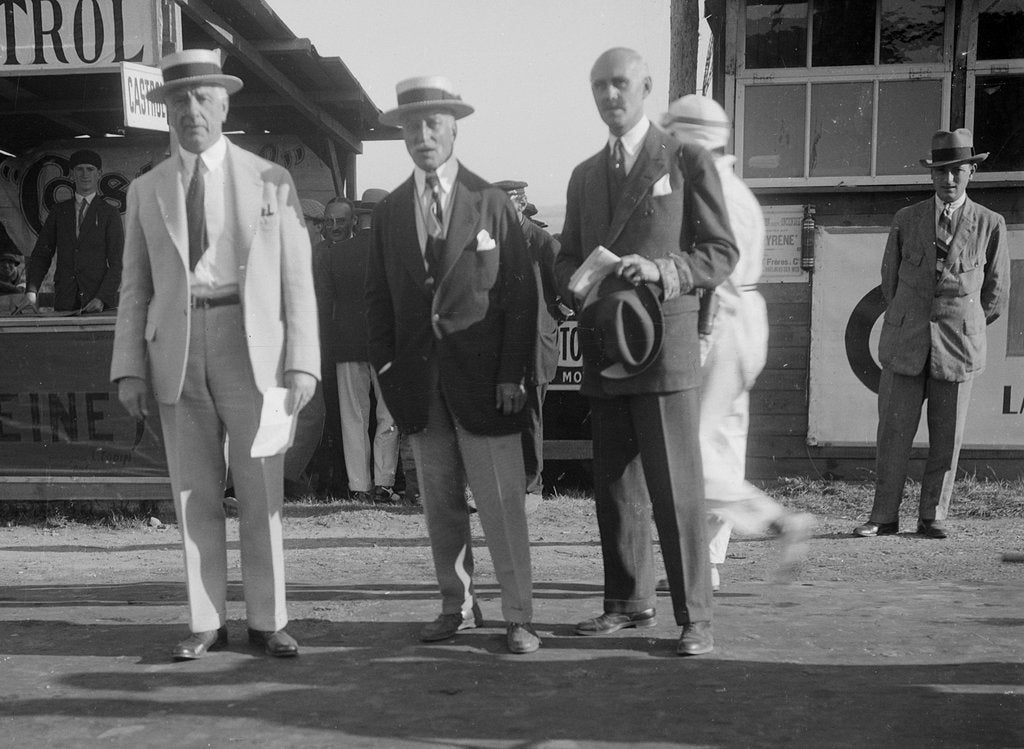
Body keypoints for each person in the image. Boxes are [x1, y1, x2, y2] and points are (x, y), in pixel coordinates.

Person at [110, 49, 320, 660]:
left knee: (261, 491)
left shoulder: (271, 180)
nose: (191, 111)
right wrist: (128, 366)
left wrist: (302, 360)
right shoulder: (147, 191)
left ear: (225, 104)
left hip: (250, 346)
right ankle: (205, 620)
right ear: (164, 111)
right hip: (174, 349)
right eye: (178, 100)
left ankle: (267, 619)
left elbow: (297, 279)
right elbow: (135, 286)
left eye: (203, 97)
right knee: (193, 492)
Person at [554, 48, 737, 656]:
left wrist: (661, 268)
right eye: (599, 85)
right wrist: (573, 284)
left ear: (646, 87)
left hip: (664, 349)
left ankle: (696, 617)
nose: (610, 95)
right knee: (615, 486)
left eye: (621, 84)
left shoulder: (686, 159)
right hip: (607, 343)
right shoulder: (583, 175)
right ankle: (628, 603)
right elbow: (565, 256)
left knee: (674, 489)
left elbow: (720, 253)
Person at [365, 75, 540, 654]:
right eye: (411, 126)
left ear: (454, 128)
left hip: (488, 385)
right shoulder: (389, 212)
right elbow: (379, 305)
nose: (422, 135)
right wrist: (391, 379)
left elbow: (520, 296)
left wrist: (513, 373)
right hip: (420, 387)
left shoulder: (490, 202)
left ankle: (519, 615)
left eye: (432, 124)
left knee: (500, 506)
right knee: (440, 506)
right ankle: (456, 605)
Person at [660, 95, 815, 591]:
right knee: (723, 443)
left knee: (687, 451)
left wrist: (699, 336)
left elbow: (710, 271)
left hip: (721, 320)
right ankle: (707, 563)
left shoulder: (709, 189)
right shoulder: (738, 189)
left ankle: (777, 520)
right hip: (749, 317)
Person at [853, 128, 1010, 540]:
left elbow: (995, 294)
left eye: (957, 171)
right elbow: (890, 283)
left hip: (957, 349)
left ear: (971, 173)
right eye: (941, 172)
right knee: (892, 435)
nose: (949, 180)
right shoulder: (906, 220)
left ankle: (933, 515)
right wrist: (913, 320)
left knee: (947, 438)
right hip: (906, 345)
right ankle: (883, 516)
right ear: (931, 176)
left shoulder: (991, 224)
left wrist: (958, 324)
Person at [493, 180, 566, 512]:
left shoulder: (543, 243)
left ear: (522, 204)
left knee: (530, 419)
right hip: (500, 347)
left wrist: (549, 323)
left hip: (534, 347)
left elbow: (566, 295)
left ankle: (530, 488)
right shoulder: (492, 242)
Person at [325, 191, 400, 504]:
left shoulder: (336, 254)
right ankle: (384, 482)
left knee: (353, 417)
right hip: (386, 343)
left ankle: (359, 486)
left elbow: (327, 300)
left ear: (357, 218)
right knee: (389, 415)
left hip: (346, 343)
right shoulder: (394, 252)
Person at [25, 149, 123, 312]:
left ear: (99, 174)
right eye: (79, 169)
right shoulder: (58, 211)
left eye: (90, 169)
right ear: (71, 174)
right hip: (65, 300)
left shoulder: (109, 213)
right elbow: (41, 255)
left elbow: (118, 263)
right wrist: (31, 292)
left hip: (99, 304)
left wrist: (101, 298)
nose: (85, 174)